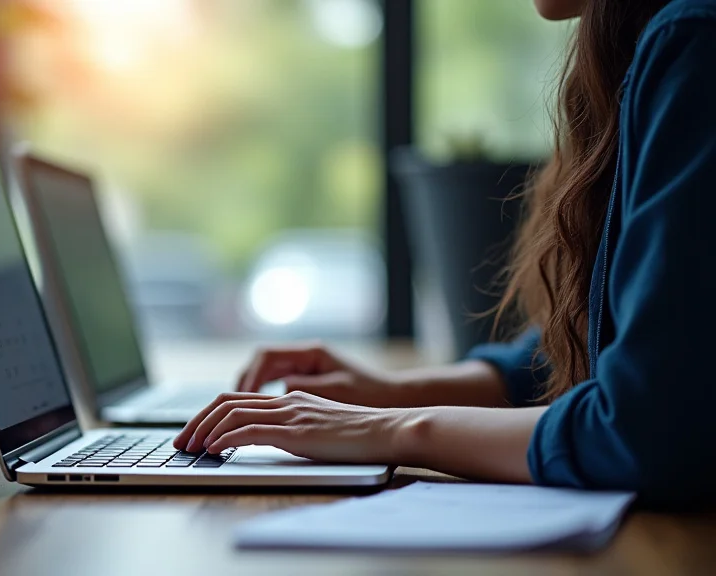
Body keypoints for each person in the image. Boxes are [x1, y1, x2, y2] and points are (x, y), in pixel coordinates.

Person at [174, 0, 716, 507]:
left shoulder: (696, 40)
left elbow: (643, 428)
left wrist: (389, 428)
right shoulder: (645, 48)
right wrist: (386, 393)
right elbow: (612, 345)